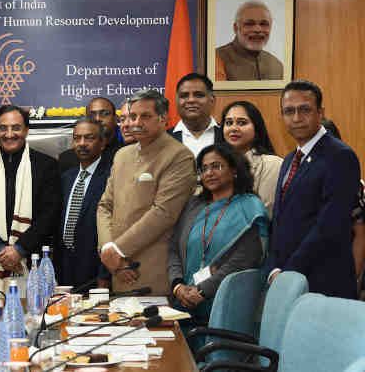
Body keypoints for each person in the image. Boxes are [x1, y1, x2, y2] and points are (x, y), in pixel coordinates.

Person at [267, 80, 361, 298]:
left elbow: (330, 224)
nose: (297, 118)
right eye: (289, 111)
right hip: (288, 280)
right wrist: (273, 268)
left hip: (323, 282)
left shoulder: (340, 156)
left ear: (321, 113)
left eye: (305, 110)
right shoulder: (290, 159)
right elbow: (280, 221)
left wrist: (289, 271)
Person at [98, 90, 196, 296]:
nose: (136, 122)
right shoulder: (122, 155)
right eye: (132, 116)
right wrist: (108, 248)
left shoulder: (179, 156)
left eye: (145, 116)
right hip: (117, 266)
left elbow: (164, 213)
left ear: (163, 119)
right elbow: (105, 206)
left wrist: (118, 250)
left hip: (153, 267)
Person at [168, 144, 268, 330]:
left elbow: (245, 258)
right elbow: (175, 248)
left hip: (226, 303)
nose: (209, 173)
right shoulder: (194, 206)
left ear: (234, 170)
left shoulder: (249, 207)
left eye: (217, 166)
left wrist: (203, 290)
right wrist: (178, 285)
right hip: (184, 303)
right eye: (204, 169)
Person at [0, 105, 60, 297]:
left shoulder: (46, 166)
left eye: (16, 128)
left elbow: (49, 215)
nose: (9, 134)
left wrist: (19, 249)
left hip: (31, 266)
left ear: (26, 130)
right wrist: (0, 250)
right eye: (3, 128)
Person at [57, 117, 112, 288]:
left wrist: (105, 273)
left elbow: (114, 227)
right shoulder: (67, 177)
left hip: (96, 270)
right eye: (77, 138)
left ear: (102, 143)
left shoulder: (112, 176)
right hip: (65, 269)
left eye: (89, 138)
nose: (82, 143)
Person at [320, 118, 365, 295]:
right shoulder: (297, 174)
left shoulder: (352, 183)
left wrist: (353, 278)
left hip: (341, 268)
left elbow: (360, 234)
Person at [221, 100, 283, 214]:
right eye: (229, 123)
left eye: (242, 123)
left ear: (257, 127)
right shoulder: (217, 165)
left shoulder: (272, 164)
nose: (233, 128)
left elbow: (265, 211)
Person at [215, 0, 284, 81]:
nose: (257, 29)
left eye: (263, 24)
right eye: (249, 24)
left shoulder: (277, 66)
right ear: (236, 28)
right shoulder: (217, 58)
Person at [58, 97, 123, 173]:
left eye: (105, 114)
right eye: (92, 115)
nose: (98, 118)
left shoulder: (126, 154)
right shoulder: (67, 158)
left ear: (116, 118)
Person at [169, 73, 223, 157]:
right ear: (176, 101)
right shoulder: (164, 139)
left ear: (212, 100)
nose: (191, 100)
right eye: (184, 96)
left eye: (199, 95)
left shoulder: (226, 135)